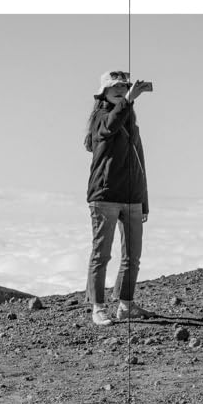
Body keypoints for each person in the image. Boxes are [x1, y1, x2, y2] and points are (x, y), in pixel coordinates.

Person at [84, 70, 154, 326]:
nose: (119, 89)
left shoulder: (130, 123)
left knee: (132, 256)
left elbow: (139, 163)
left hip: (132, 197)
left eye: (124, 85)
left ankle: (126, 305)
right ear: (103, 92)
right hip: (105, 196)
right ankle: (97, 307)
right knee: (101, 254)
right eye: (114, 86)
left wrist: (143, 200)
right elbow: (108, 128)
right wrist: (130, 100)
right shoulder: (101, 119)